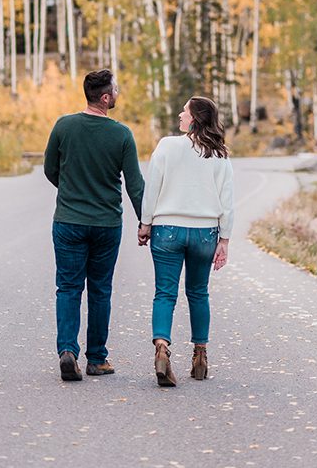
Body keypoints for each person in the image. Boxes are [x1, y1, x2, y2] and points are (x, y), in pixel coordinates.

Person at [43, 68, 145, 381]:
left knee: (69, 287)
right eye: (115, 89)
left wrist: (72, 191)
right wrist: (146, 221)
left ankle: (67, 351)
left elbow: (50, 169)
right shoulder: (121, 134)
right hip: (106, 225)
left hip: (69, 222)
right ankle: (97, 359)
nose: (118, 93)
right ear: (105, 97)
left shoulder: (64, 126)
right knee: (100, 290)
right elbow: (135, 184)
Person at [138, 96, 235, 387]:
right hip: (205, 231)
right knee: (198, 292)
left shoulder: (167, 146)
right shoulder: (219, 154)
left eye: (184, 111)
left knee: (165, 293)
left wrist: (146, 223)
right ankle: (200, 357)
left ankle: (161, 349)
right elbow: (227, 201)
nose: (180, 114)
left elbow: (152, 186)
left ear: (194, 119)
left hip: (167, 228)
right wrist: (225, 240)